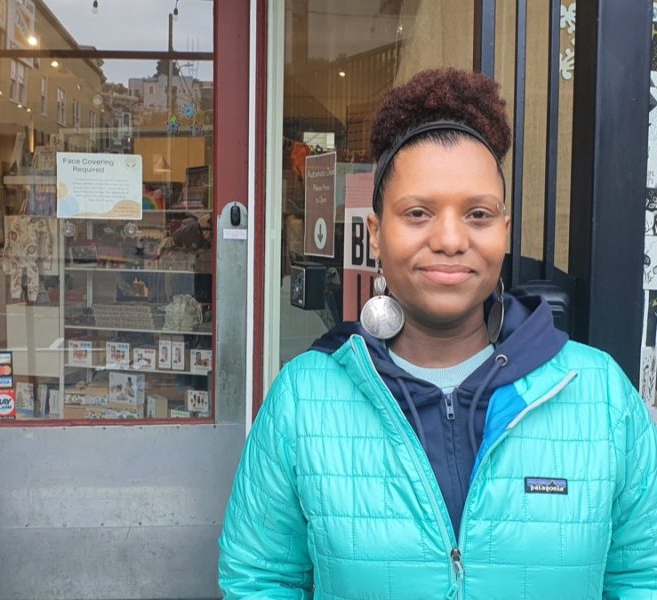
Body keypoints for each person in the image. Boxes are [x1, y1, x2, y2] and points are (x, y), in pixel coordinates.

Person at [218, 68, 657, 598]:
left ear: (503, 232)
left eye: (477, 214)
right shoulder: (304, 398)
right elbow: (261, 579)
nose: (450, 239)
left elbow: (641, 577)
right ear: (375, 234)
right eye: (419, 213)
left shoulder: (601, 395)